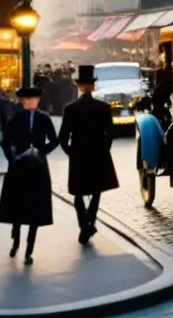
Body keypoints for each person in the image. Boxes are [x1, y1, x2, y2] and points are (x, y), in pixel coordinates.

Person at [0, 85, 58, 265]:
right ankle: (16, 240)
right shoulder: (16, 119)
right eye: (27, 99)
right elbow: (5, 142)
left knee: (35, 211)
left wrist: (41, 152)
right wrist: (11, 158)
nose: (30, 102)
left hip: (38, 168)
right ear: (23, 101)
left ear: (38, 100)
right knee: (18, 207)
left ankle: (29, 250)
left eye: (34, 99)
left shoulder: (44, 119)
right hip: (19, 167)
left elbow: (54, 141)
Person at [58, 66, 119, 244]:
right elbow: (110, 133)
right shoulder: (103, 108)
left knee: (78, 193)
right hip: (98, 153)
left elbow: (63, 137)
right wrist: (104, 149)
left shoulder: (70, 109)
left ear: (79, 86)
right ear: (92, 87)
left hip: (78, 153)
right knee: (96, 191)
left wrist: (70, 152)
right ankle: (89, 222)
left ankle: (85, 225)